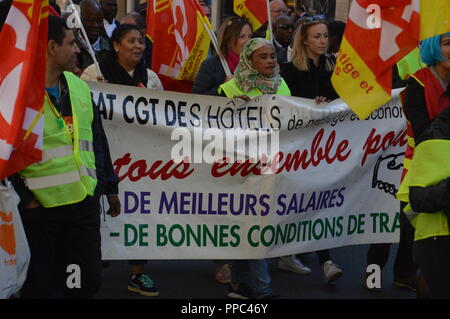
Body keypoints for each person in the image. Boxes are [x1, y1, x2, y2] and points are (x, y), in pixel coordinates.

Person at [10, 15, 120, 299]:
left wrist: (107, 188)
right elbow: (4, 152)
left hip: (82, 207)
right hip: (40, 212)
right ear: (50, 47)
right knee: (43, 287)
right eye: (71, 43)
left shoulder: (79, 86)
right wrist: (26, 199)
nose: (77, 50)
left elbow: (97, 140)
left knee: (86, 283)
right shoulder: (18, 92)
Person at [82, 24, 162, 297]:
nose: (138, 46)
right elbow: (82, 111)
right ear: (116, 45)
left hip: (138, 157)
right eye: (131, 41)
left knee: (139, 212)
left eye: (141, 41)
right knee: (102, 212)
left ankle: (137, 273)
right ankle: (91, 266)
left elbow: (163, 117)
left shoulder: (150, 78)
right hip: (104, 153)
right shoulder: (95, 72)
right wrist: (95, 93)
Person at [218, 38, 290, 299]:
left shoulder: (281, 85)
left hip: (274, 166)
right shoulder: (228, 89)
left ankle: (239, 284)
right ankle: (263, 290)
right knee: (255, 227)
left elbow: (297, 118)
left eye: (272, 55)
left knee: (249, 228)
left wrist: (315, 107)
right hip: (241, 170)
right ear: (249, 60)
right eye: (263, 56)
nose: (271, 60)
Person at [280, 19, 343, 284]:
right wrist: (309, 105)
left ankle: (325, 260)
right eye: (317, 36)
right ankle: (291, 252)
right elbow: (284, 102)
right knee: (295, 200)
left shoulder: (332, 67)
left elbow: (340, 98)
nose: (322, 41)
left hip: (322, 144)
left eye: (325, 36)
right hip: (296, 145)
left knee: (317, 199)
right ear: (304, 40)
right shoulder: (289, 70)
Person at [397, 32, 450, 298]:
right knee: (429, 250)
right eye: (448, 43)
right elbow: (423, 132)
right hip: (423, 174)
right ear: (433, 48)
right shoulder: (418, 83)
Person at [192, 16, 253, 96]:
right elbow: (196, 99)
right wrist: (224, 88)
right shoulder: (210, 66)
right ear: (228, 40)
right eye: (242, 36)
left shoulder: (257, 65)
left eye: (250, 36)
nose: (248, 41)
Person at [77, 0, 111, 71]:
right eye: (90, 20)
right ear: (79, 20)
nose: (95, 25)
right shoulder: (69, 47)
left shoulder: (110, 48)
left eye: (99, 21)